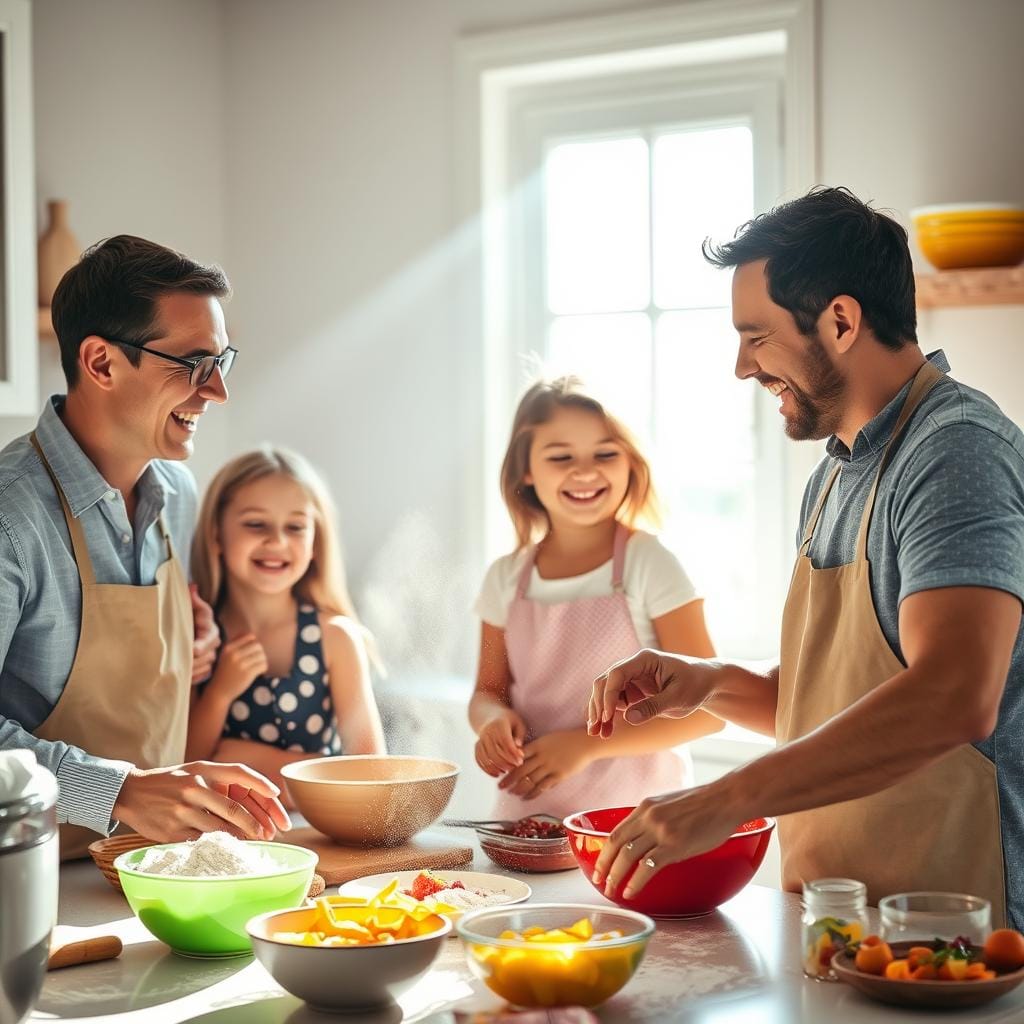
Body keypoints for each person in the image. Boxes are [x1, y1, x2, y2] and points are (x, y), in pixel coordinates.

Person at [586, 187, 1024, 929]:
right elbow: (840, 699)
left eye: (755, 336)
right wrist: (709, 683)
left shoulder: (955, 449)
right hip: (844, 926)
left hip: (963, 937)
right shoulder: (834, 476)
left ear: (842, 321)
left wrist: (724, 799)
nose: (740, 367)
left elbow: (953, 694)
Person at [0, 235, 290, 857]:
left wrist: (191, 647)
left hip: (150, 863)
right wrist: (122, 791)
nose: (217, 392)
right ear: (102, 363)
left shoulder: (178, 494)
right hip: (24, 874)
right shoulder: (9, 517)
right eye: (191, 365)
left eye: (221, 362)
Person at [470, 376, 723, 820]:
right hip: (528, 823)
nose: (584, 471)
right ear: (525, 470)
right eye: (560, 456)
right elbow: (487, 692)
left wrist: (585, 745)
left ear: (630, 462)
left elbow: (710, 709)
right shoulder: (505, 578)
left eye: (604, 454)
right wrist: (491, 721)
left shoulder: (649, 563)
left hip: (640, 824)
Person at [186, 446, 385, 797]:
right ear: (216, 534)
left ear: (314, 543)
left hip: (320, 842)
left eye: (295, 527)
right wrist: (219, 693)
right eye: (255, 524)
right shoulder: (197, 636)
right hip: (219, 843)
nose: (276, 541)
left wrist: (238, 756)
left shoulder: (336, 639)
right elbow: (184, 766)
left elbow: (370, 775)